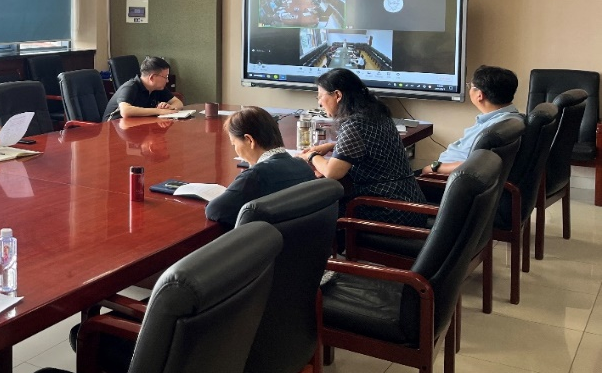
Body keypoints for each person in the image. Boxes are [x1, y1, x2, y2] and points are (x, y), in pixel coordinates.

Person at [301, 68, 426, 225]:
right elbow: (372, 144)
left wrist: (311, 156)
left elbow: (332, 172)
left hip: (388, 209)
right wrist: (334, 146)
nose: (319, 103)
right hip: (410, 203)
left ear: (337, 95)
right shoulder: (377, 112)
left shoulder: (354, 123)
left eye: (320, 96)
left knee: (320, 214)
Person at [205, 107, 316, 227]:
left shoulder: (255, 176)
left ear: (249, 140)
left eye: (234, 144)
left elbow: (215, 210)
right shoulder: (303, 166)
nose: (235, 150)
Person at [428, 65, 520, 175]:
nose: (469, 89)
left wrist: (434, 168)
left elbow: (473, 165)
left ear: (480, 95)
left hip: (442, 178)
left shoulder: (492, 130)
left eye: (470, 86)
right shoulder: (510, 119)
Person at [102, 56, 184, 121]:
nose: (167, 80)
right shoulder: (130, 87)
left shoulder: (158, 88)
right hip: (112, 127)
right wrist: (159, 111)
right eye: (165, 77)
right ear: (152, 77)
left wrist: (168, 107)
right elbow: (125, 111)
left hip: (135, 125)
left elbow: (178, 103)